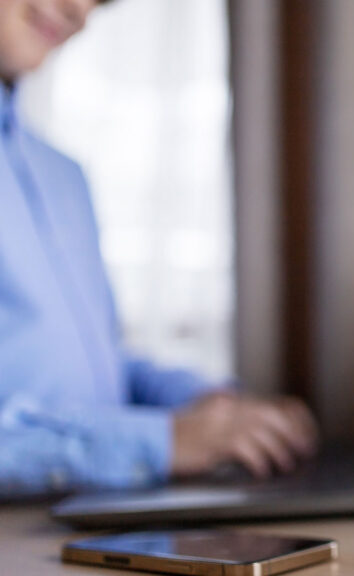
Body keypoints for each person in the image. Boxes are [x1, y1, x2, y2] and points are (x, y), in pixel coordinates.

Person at [0, 0, 317, 497]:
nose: (79, 10)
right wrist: (162, 441)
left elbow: (94, 375)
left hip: (82, 516)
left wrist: (213, 408)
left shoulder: (61, 176)